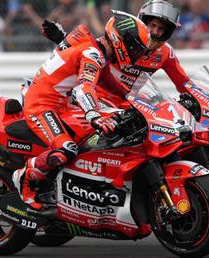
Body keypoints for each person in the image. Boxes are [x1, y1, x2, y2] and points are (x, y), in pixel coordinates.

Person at [12, 11, 150, 210]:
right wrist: (94, 115)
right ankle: (25, 175)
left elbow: (112, 86)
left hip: (61, 104)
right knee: (66, 150)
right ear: (120, 41)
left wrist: (138, 102)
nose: (137, 54)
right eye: (135, 48)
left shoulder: (93, 48)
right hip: (41, 105)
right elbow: (85, 87)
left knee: (91, 140)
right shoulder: (92, 54)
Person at [42, 0, 195, 106]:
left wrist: (196, 100)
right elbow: (89, 50)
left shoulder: (166, 52)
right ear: (143, 22)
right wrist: (62, 40)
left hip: (131, 105)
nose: (155, 32)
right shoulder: (122, 38)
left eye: (161, 29)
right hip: (99, 100)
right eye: (152, 25)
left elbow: (184, 83)